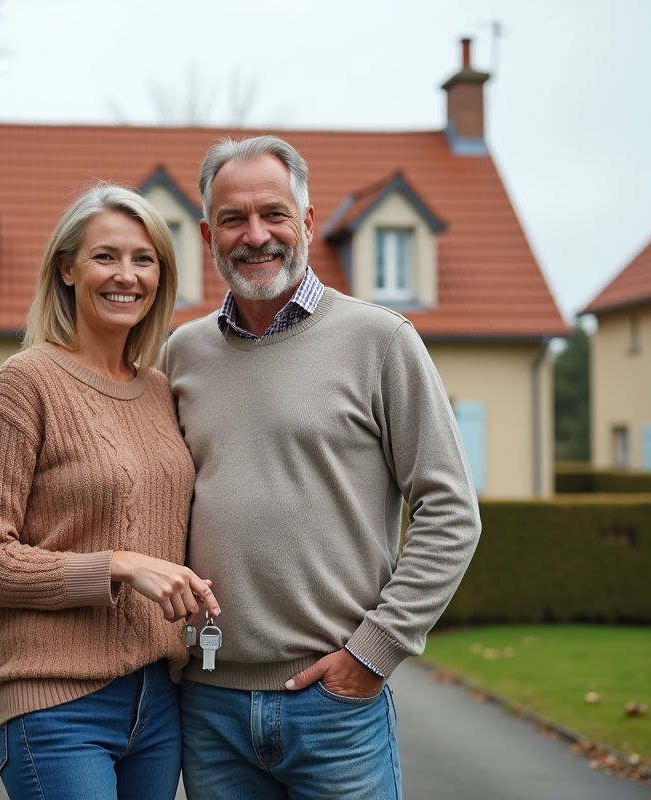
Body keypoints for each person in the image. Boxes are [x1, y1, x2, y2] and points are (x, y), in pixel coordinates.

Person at [163, 135, 483, 800]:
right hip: (208, 705)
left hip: (336, 707)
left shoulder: (382, 341)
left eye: (273, 214)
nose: (256, 236)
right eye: (233, 219)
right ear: (208, 234)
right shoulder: (181, 354)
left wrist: (374, 652)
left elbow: (451, 511)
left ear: (307, 221)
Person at [0, 184, 220, 800]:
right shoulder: (26, 383)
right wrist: (117, 566)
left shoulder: (160, 391)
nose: (127, 275)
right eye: (106, 256)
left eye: (144, 259)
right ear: (67, 269)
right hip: (58, 705)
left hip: (159, 702)